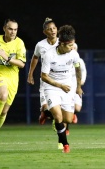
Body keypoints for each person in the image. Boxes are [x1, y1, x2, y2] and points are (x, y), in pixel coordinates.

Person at [41, 25, 83, 153]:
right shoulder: (49, 55)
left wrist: (79, 87)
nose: (72, 48)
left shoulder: (73, 54)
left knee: (68, 119)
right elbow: (44, 77)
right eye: (70, 46)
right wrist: (59, 86)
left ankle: (47, 113)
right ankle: (65, 144)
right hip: (52, 87)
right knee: (58, 117)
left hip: (67, 87)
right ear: (62, 44)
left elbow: (77, 69)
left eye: (73, 45)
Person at [27, 17, 58, 124]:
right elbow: (35, 57)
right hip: (45, 79)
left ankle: (62, 125)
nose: (53, 30)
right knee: (46, 108)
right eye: (50, 29)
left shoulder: (62, 43)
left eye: (54, 28)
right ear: (45, 32)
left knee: (60, 109)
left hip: (60, 79)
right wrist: (30, 74)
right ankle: (45, 113)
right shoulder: (40, 45)